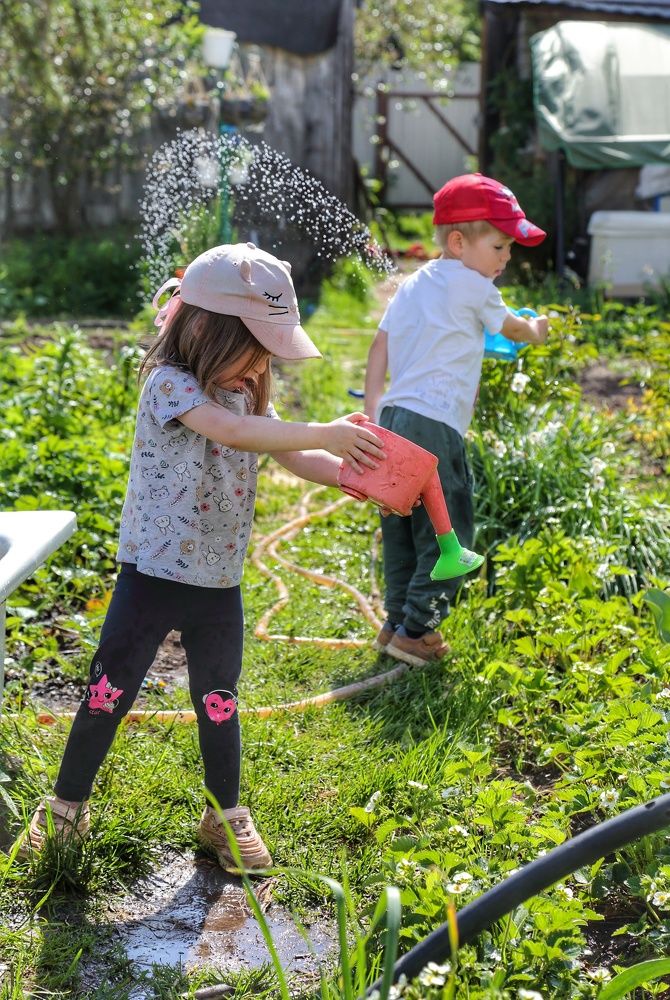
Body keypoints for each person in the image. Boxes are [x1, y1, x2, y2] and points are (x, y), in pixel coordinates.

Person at [22, 242, 385, 872]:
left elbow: (287, 450)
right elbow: (237, 434)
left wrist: (356, 474)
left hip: (219, 578)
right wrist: (325, 429)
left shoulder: (244, 390)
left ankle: (224, 814)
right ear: (214, 332)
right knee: (109, 693)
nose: (263, 361)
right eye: (257, 345)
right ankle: (64, 807)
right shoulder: (170, 384)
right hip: (154, 574)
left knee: (219, 699)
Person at [364, 173, 549, 667]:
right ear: (459, 242)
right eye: (501, 246)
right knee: (451, 534)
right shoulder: (476, 284)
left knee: (401, 525)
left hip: (394, 418)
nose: (507, 258)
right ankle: (419, 631)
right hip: (436, 428)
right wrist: (536, 329)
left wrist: (373, 410)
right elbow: (512, 328)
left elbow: (379, 345)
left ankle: (395, 622)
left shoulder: (411, 283)